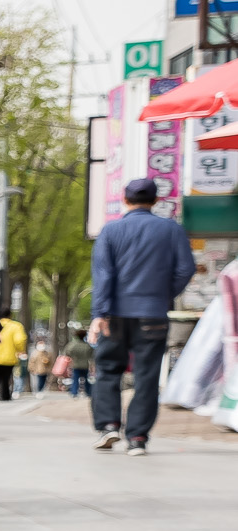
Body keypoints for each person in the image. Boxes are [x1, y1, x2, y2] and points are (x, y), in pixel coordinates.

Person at [88, 176, 196, 456]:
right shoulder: (171, 230)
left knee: (108, 370)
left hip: (114, 314)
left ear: (125, 200)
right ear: (156, 201)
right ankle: (137, 437)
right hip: (153, 313)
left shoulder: (110, 231)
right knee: (147, 376)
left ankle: (109, 426)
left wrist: (100, 313)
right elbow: (185, 269)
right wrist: (162, 295)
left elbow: (103, 275)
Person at [0, 310, 25, 400]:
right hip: (9, 357)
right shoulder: (16, 326)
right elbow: (20, 340)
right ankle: (5, 395)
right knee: (6, 378)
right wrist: (20, 350)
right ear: (10, 315)